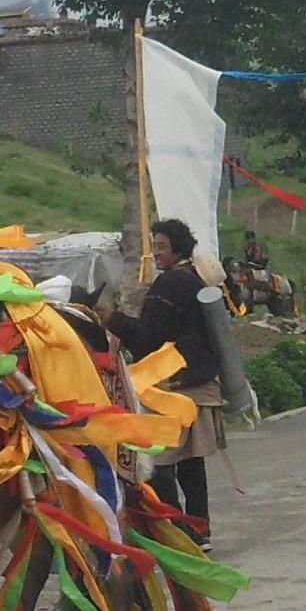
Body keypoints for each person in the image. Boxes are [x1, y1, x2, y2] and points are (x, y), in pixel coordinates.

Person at [109, 218, 223, 544]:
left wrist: (111, 320)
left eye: (161, 246)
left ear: (177, 249)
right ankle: (200, 530)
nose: (156, 253)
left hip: (172, 387)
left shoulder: (171, 284)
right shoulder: (194, 279)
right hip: (198, 385)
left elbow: (148, 339)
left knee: (159, 463)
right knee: (191, 464)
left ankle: (177, 532)